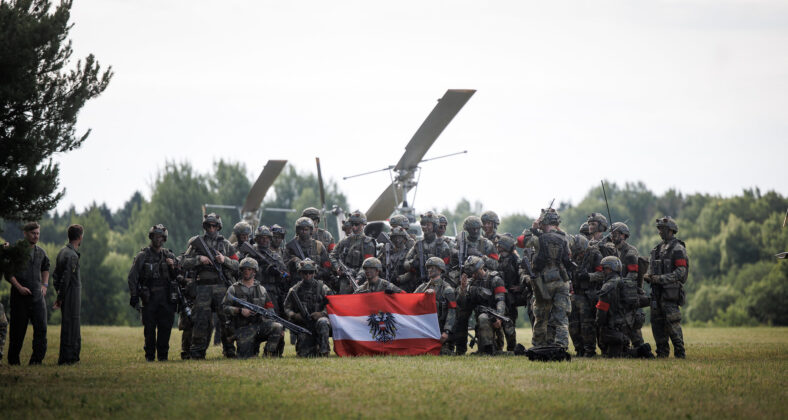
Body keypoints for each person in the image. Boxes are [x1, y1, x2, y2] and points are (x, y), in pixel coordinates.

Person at [181, 213, 239, 359]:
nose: (211, 228)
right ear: (205, 226)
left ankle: (229, 350)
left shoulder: (226, 244)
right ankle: (197, 351)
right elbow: (183, 262)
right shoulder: (196, 243)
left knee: (226, 319)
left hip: (221, 286)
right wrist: (199, 259)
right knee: (200, 320)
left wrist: (223, 259)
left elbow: (237, 265)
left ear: (219, 226)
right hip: (202, 287)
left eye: (214, 225)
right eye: (208, 225)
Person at [128, 224, 178, 361]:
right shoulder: (142, 256)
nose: (158, 239)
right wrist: (134, 295)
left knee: (165, 328)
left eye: (161, 237)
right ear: (151, 237)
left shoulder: (169, 256)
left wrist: (172, 266)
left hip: (166, 299)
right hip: (149, 298)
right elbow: (132, 277)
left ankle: (163, 357)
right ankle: (149, 356)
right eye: (156, 236)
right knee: (149, 330)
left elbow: (178, 276)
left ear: (164, 239)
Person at [6, 222, 50, 365]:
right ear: (25, 233)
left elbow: (46, 268)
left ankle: (36, 361)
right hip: (20, 298)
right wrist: (19, 287)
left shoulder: (41, 252)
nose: (36, 236)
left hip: (37, 298)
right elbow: (8, 273)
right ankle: (13, 362)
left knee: (41, 329)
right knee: (17, 333)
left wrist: (45, 285)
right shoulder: (16, 251)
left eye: (38, 233)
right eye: (33, 233)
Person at [644, 216, 688, 358]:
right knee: (657, 324)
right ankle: (662, 353)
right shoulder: (656, 249)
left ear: (671, 230)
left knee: (672, 324)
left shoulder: (678, 249)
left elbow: (681, 272)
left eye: (662, 229)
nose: (660, 232)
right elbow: (650, 268)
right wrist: (648, 276)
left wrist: (661, 279)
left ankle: (680, 353)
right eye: (659, 229)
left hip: (670, 295)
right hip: (656, 294)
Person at [529, 209, 573, 349]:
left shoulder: (539, 238)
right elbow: (568, 259)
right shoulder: (565, 237)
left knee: (541, 315)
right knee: (561, 317)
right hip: (562, 281)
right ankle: (562, 345)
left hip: (545, 282)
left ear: (544, 222)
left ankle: (538, 345)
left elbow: (523, 243)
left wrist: (534, 228)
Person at [222, 257, 283, 358]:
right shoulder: (233, 288)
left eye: (249, 269)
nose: (246, 271)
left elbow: (270, 308)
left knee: (277, 327)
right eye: (244, 269)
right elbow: (224, 308)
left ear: (254, 271)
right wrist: (240, 310)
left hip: (259, 326)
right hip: (243, 329)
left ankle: (268, 354)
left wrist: (271, 319)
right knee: (245, 357)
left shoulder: (262, 290)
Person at [610, 222, 652, 357]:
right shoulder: (614, 250)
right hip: (618, 293)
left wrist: (620, 283)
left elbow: (633, 274)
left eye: (615, 234)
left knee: (631, 323)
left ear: (623, 235)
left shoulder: (630, 252)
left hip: (629, 293)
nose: (612, 237)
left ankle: (641, 349)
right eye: (611, 234)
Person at [453, 256, 507, 355]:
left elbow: (501, 300)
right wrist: (463, 289)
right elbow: (462, 303)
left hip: (494, 316)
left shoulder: (495, 280)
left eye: (475, 273)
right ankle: (460, 349)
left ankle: (488, 350)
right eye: (471, 274)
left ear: (481, 268)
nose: (473, 275)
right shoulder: (470, 282)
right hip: (480, 316)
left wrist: (499, 317)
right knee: (460, 314)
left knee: (483, 318)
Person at [283, 259, 333, 357]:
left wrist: (322, 313)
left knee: (323, 322)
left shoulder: (322, 287)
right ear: (300, 273)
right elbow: (287, 307)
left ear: (314, 273)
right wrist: (294, 315)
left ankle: (324, 350)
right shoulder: (294, 290)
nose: (308, 275)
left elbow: (332, 304)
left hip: (319, 322)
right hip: (304, 325)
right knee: (304, 354)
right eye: (305, 273)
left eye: (311, 272)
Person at [414, 257, 457, 355]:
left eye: (432, 268)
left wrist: (446, 331)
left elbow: (452, 312)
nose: (429, 270)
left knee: (442, 353)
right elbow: (410, 300)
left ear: (440, 269)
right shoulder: (422, 287)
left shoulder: (447, 289)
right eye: (428, 268)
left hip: (441, 332)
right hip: (425, 330)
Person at [403, 212, 452, 292]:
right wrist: (413, 263)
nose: (425, 227)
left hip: (438, 286)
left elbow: (447, 267)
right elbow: (406, 263)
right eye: (423, 225)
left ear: (435, 226)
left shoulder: (443, 245)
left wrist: (435, 277)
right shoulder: (418, 245)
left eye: (428, 225)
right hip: (419, 284)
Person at [330, 210, 376, 294]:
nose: (354, 227)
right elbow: (332, 255)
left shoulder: (368, 243)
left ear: (363, 225)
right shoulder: (344, 241)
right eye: (352, 224)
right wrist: (337, 268)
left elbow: (368, 264)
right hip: (345, 280)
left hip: (363, 280)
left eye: (357, 225)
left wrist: (358, 278)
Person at [495, 234, 521, 351]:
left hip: (510, 296)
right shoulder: (498, 259)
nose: (498, 247)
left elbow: (522, 273)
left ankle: (511, 347)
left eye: (500, 245)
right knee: (497, 320)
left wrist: (521, 287)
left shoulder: (515, 259)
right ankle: (498, 346)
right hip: (499, 293)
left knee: (509, 322)